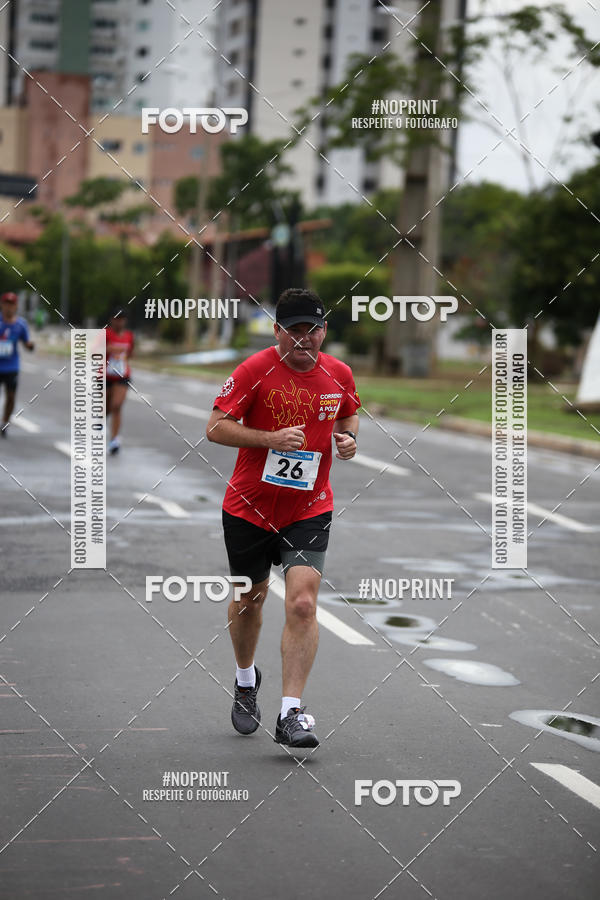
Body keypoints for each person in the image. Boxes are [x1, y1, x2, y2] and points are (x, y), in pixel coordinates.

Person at [206, 288, 360, 749]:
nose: (303, 339)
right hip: (248, 508)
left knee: (302, 604)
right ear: (277, 331)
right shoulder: (254, 371)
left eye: (312, 330)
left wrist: (348, 441)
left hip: (309, 507)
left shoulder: (339, 374)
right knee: (250, 599)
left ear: (324, 331)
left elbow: (348, 415)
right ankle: (246, 679)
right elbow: (214, 427)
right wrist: (268, 438)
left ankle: (291, 714)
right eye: (294, 330)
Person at [0, 292, 34, 436]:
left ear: (16, 306)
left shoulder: (20, 324)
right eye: (6, 304)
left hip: (11, 366)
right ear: (2, 305)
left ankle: (4, 422)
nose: (9, 307)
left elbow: (27, 343)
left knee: (11, 396)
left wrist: (30, 345)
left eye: (12, 304)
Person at [105, 309, 134, 455]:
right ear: (112, 320)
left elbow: (130, 354)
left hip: (122, 376)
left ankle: (115, 439)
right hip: (105, 376)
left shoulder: (129, 336)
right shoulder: (106, 334)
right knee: (105, 409)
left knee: (116, 406)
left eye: (122, 319)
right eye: (117, 319)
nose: (119, 322)